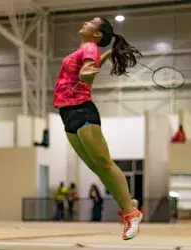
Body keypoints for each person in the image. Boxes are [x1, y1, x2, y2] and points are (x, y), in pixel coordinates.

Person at [53, 17, 143, 240]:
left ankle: (131, 213)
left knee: (104, 163)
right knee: (96, 166)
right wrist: (108, 55)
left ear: (97, 35)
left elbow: (87, 72)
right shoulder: (87, 49)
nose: (85, 22)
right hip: (68, 114)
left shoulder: (89, 47)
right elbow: (87, 66)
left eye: (92, 22)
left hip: (82, 110)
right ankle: (128, 202)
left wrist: (87, 74)